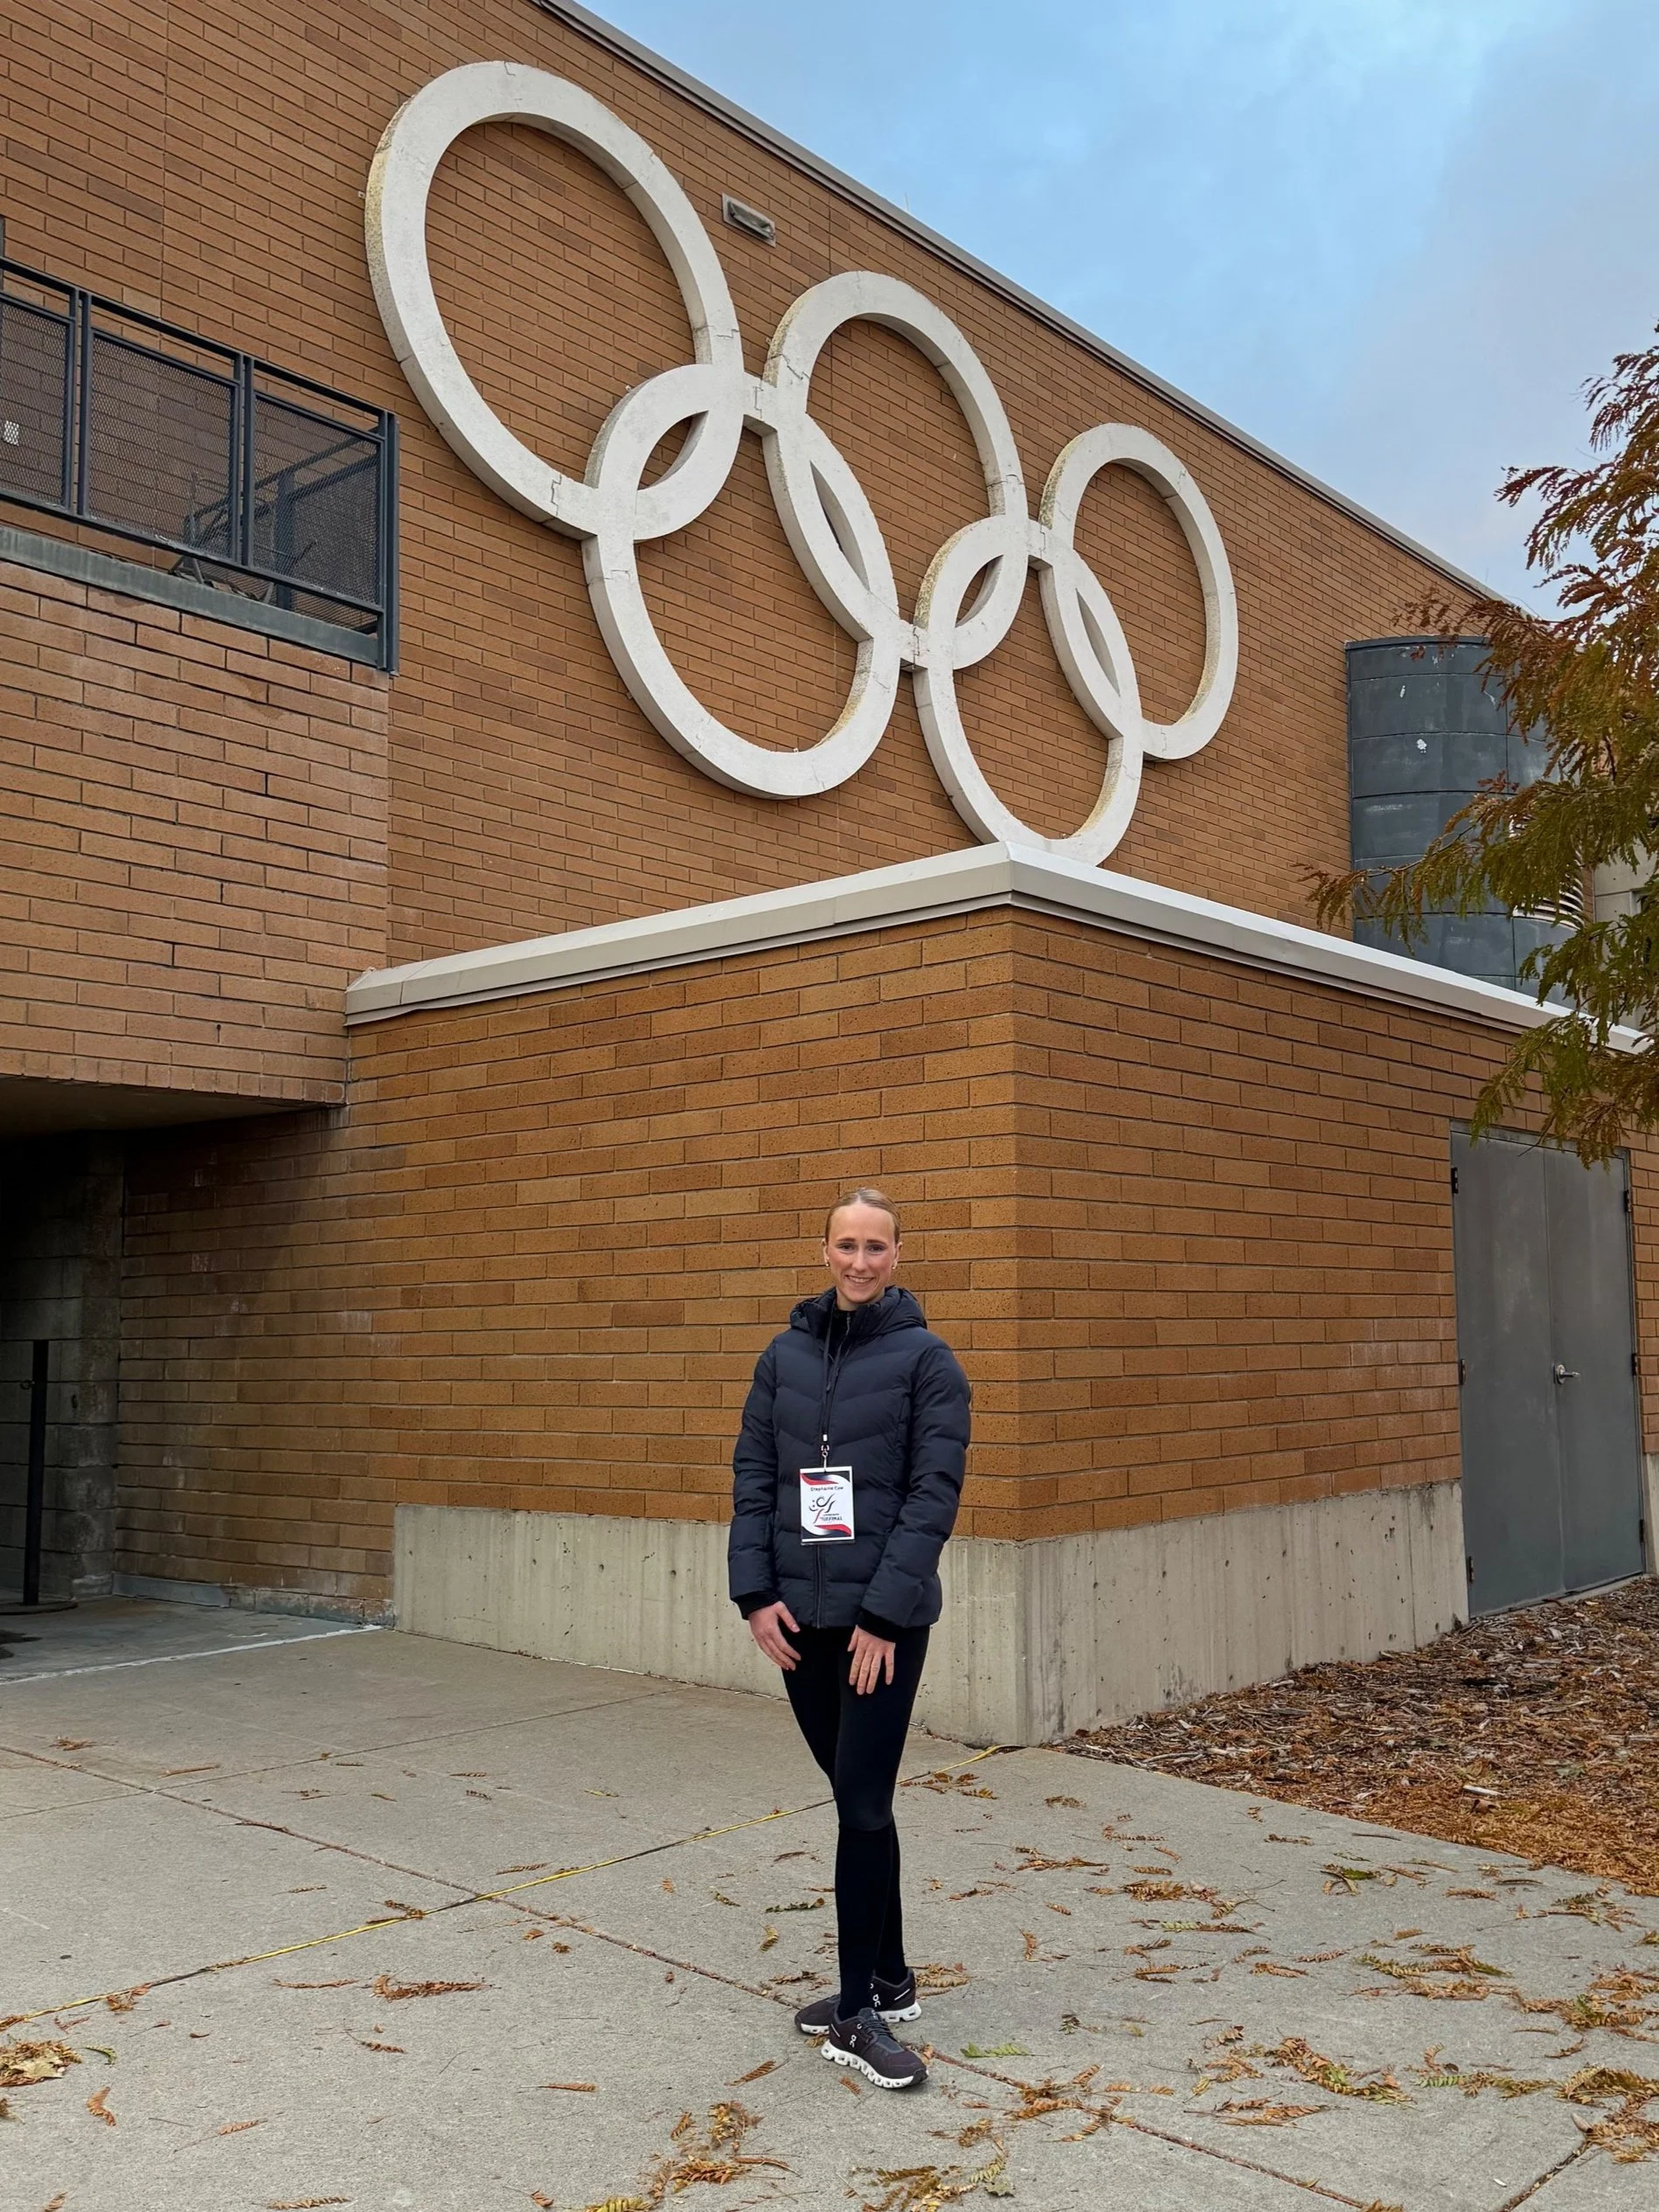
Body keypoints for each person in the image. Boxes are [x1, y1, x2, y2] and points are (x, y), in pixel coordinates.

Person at [729, 1187, 971, 2091]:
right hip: (799, 1620)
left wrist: (881, 1614)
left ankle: (854, 2014)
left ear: (898, 1254)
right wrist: (753, 1591)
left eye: (875, 1246)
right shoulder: (782, 1357)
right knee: (853, 1794)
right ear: (823, 1249)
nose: (858, 1260)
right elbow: (754, 1475)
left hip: (881, 1625)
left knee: (863, 1802)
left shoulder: (928, 1363)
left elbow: (929, 1496)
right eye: (844, 1244)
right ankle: (891, 1975)